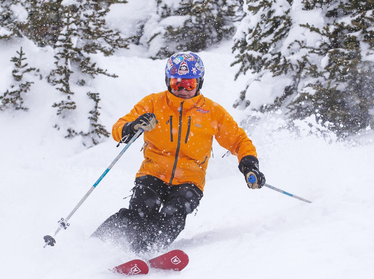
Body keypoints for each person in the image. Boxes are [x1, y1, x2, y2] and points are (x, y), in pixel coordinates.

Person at [92, 51, 266, 253]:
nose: (183, 90)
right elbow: (118, 129)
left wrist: (249, 166)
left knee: (172, 215)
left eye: (189, 84)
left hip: (189, 180)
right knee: (139, 213)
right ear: (168, 82)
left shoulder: (212, 112)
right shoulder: (153, 103)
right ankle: (96, 244)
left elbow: (239, 140)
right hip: (153, 173)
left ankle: (147, 250)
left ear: (199, 83)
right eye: (177, 84)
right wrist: (133, 126)